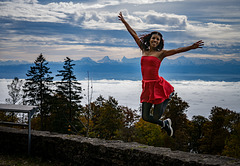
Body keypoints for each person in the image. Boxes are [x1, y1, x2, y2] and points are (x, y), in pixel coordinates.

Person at [118, 12, 204, 137]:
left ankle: (168, 95)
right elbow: (134, 35)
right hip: (147, 86)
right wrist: (125, 22)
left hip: (157, 85)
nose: (155, 40)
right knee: (146, 117)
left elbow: (177, 50)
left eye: (157, 39)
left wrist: (191, 47)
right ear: (150, 39)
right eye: (153, 38)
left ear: (159, 42)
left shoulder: (161, 54)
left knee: (156, 115)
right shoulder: (143, 49)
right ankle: (165, 124)